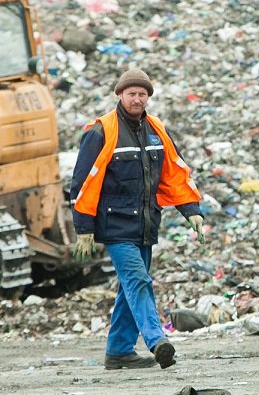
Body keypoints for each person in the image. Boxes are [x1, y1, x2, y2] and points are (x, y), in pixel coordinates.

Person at [70, 68, 205, 370]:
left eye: (142, 94)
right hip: (114, 225)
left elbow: (174, 173)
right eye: (131, 93)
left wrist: (192, 212)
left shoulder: (156, 129)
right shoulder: (102, 131)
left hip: (146, 224)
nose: (137, 99)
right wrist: (83, 228)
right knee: (138, 281)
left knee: (129, 288)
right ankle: (158, 341)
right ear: (119, 95)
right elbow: (82, 183)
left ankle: (118, 351)